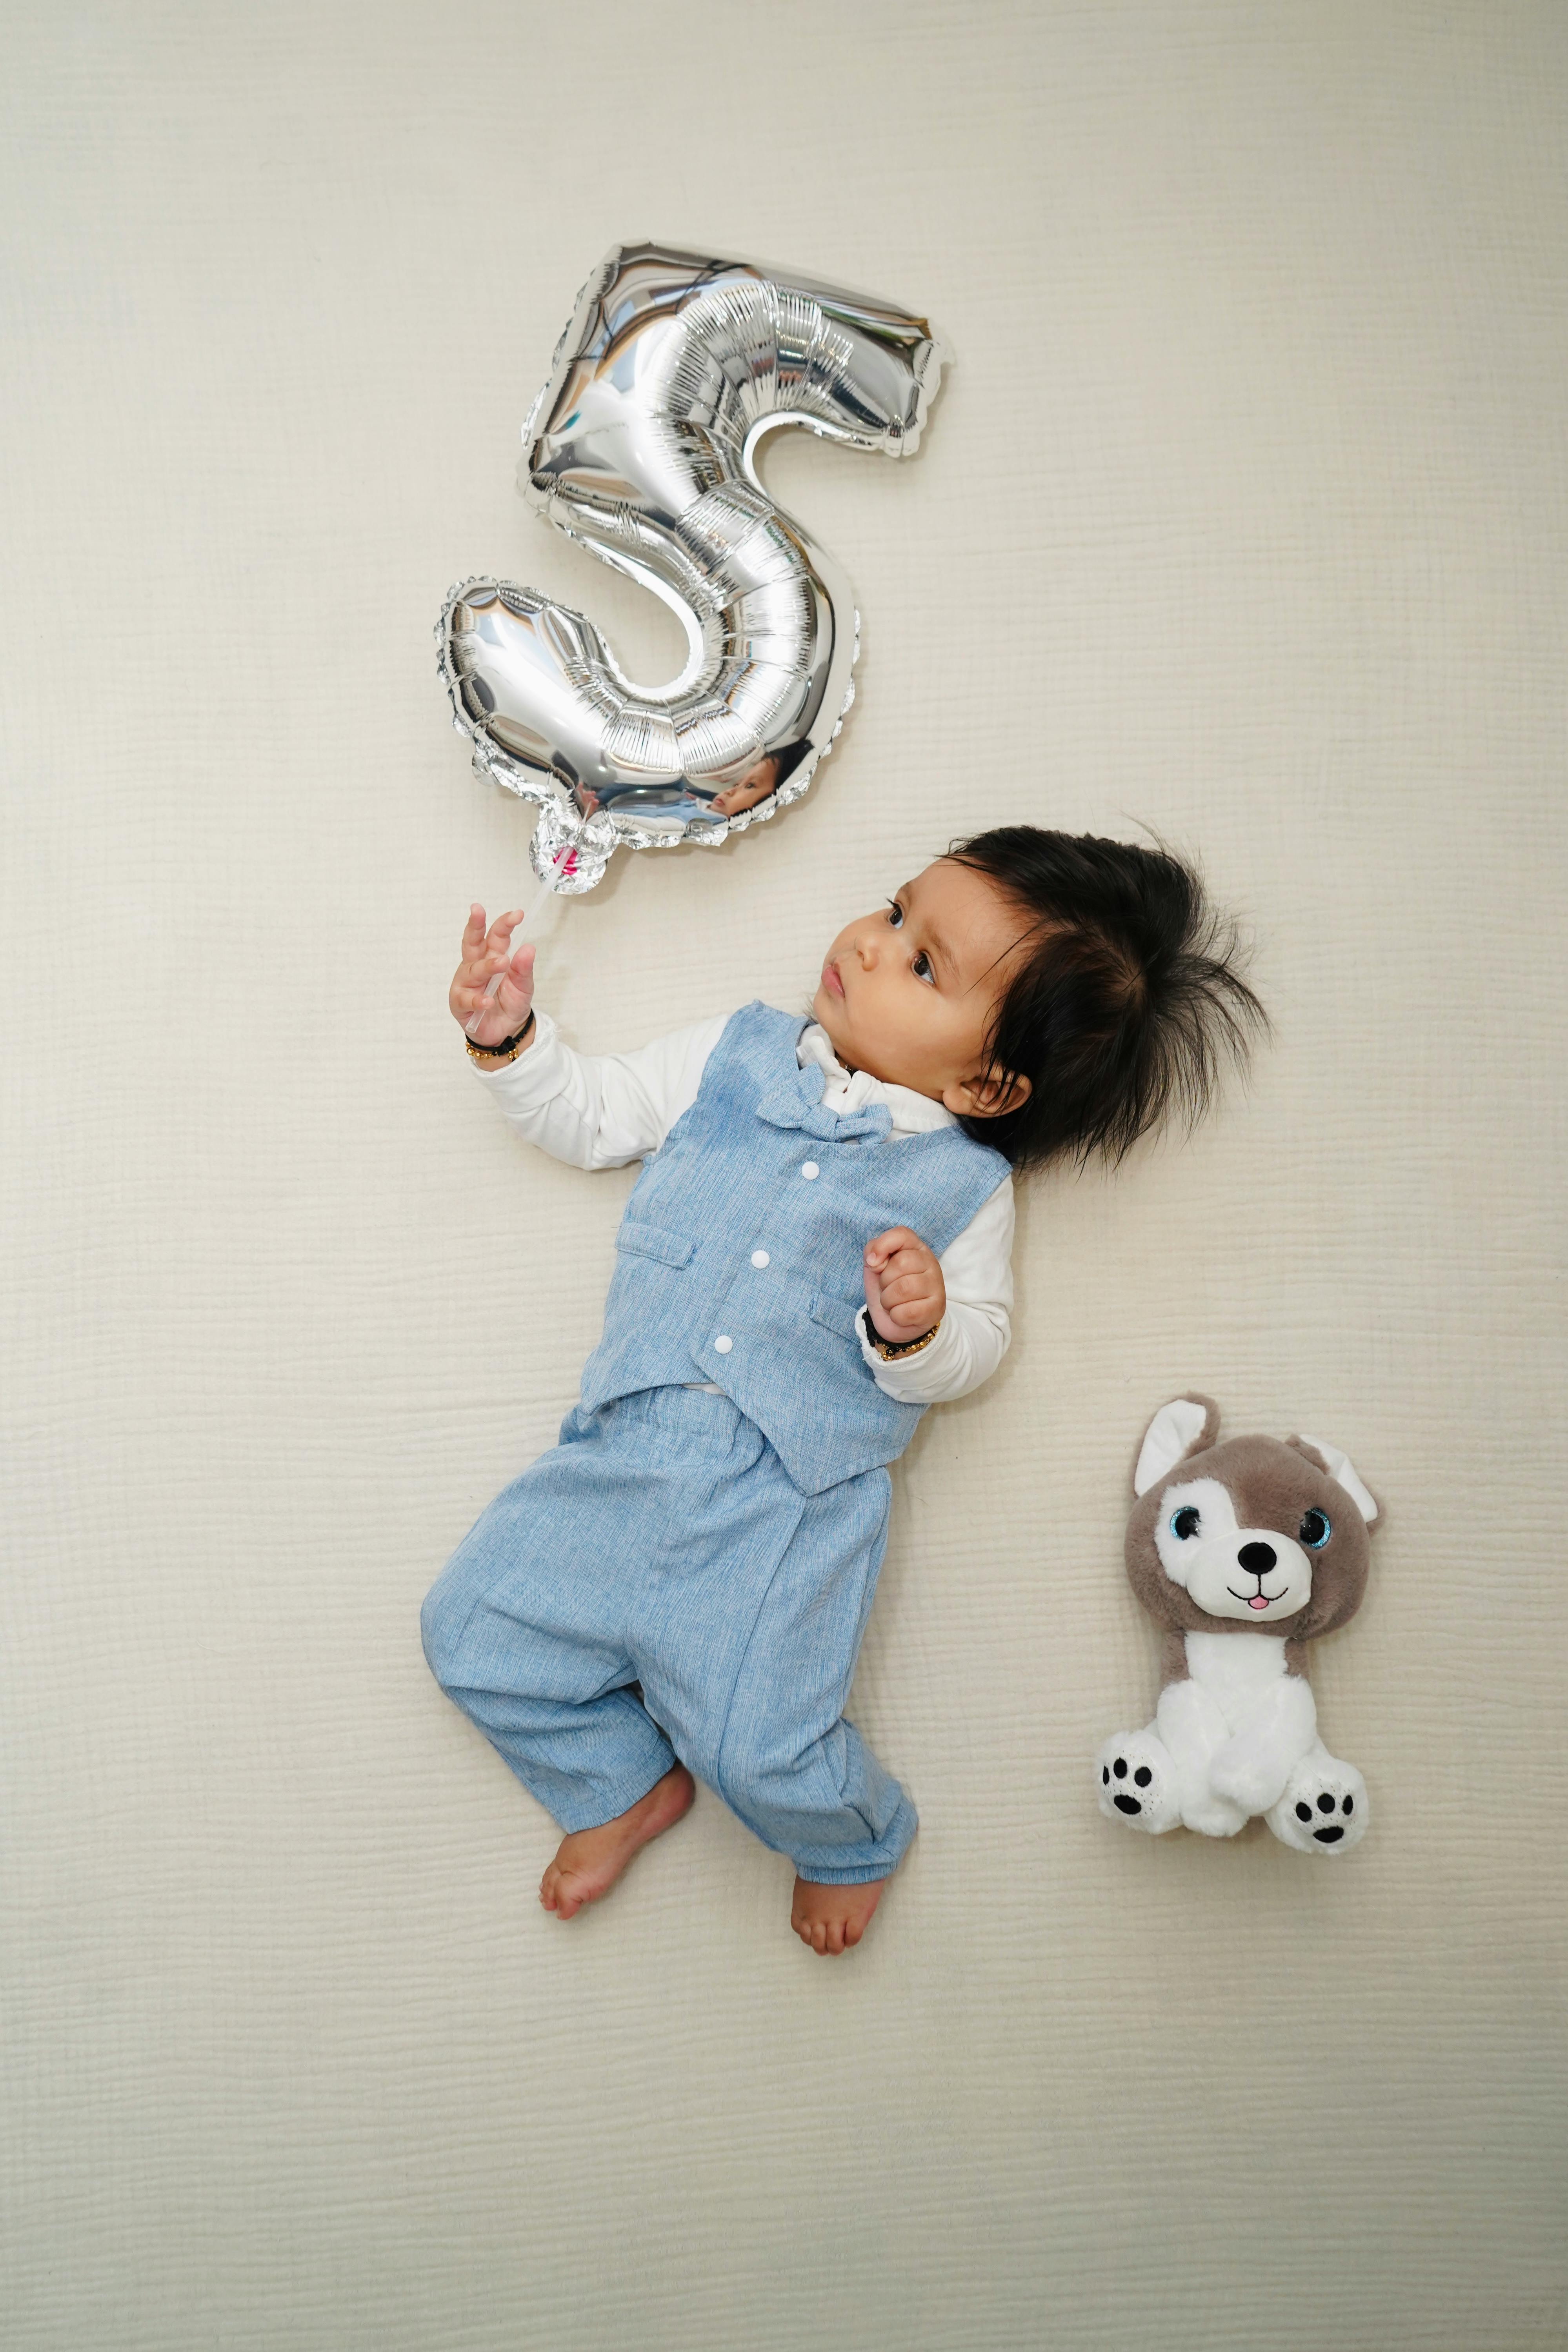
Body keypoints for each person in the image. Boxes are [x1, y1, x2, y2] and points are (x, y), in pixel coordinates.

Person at [421, 826, 1265, 1954]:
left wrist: (916, 1327)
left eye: (923, 966)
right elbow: (600, 1113)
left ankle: (852, 1837)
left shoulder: (962, 1191)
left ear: (988, 1081)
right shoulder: (737, 1054)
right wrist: (513, 1041)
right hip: (620, 1449)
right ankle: (619, 1783)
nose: (872, 946)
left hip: (784, 1510)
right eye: (894, 911)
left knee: (761, 1743)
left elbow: (981, 1347)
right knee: (468, 1631)